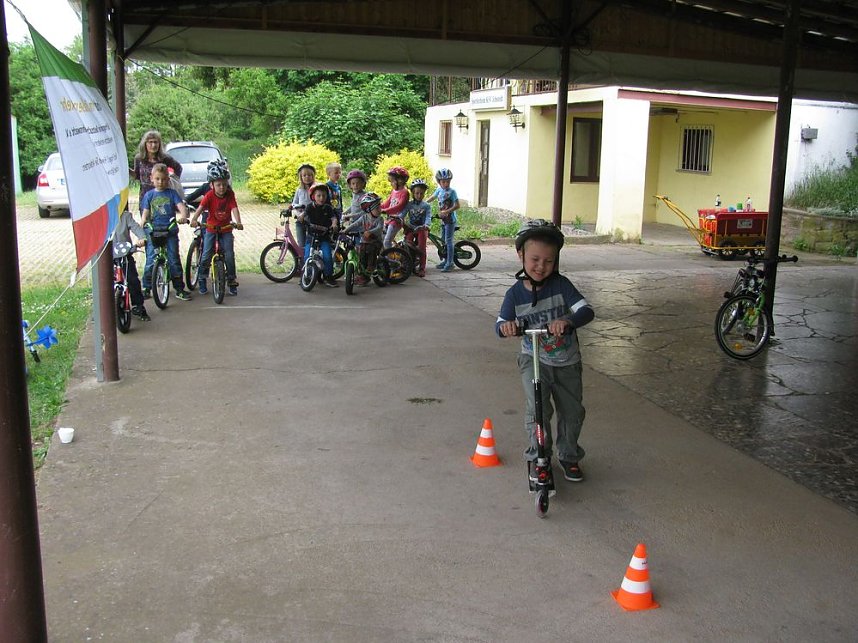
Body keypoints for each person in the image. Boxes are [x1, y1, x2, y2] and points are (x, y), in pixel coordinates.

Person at [495, 219, 594, 484]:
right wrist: (507, 327)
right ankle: (539, 456)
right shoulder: (515, 294)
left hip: (567, 361)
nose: (541, 266)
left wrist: (568, 321)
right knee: (538, 411)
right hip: (533, 359)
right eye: (535, 259)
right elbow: (500, 324)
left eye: (549, 261)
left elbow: (586, 311)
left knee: (572, 412)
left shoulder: (562, 286)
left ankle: (569, 455)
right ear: (521, 255)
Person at [190, 159, 244, 296]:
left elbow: (234, 208)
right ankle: (202, 278)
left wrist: (238, 222)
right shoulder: (209, 195)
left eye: (224, 184)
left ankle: (231, 279)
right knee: (206, 254)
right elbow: (201, 208)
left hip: (226, 228)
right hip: (211, 228)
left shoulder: (230, 194)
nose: (222, 187)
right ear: (212, 185)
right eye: (218, 184)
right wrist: (194, 219)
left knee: (229, 255)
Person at [140, 163, 192, 301]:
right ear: (152, 178)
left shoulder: (172, 193)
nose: (160, 182)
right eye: (157, 179)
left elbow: (181, 207)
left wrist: (183, 216)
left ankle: (179, 288)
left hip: (169, 230)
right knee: (151, 259)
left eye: (163, 179)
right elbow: (145, 212)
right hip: (154, 231)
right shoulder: (149, 195)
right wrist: (143, 221)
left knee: (173, 259)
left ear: (168, 180)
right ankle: (146, 287)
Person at [131, 130, 182, 214]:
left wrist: (170, 181)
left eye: (156, 142)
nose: (153, 145)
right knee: (146, 220)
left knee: (163, 218)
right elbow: (137, 176)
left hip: (162, 196)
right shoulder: (139, 158)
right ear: (145, 144)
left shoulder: (165, 158)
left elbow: (178, 168)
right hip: (145, 196)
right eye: (150, 142)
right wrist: (127, 170)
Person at [112, 210, 150, 321]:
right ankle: (101, 309)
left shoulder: (125, 216)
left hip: (125, 255)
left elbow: (135, 227)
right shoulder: (102, 216)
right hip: (108, 257)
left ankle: (139, 306)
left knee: (132, 279)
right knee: (104, 282)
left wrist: (142, 237)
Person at [343, 192, 384, 285]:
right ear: (369, 210)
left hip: (376, 242)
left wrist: (370, 232)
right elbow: (355, 224)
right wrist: (346, 230)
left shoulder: (380, 219)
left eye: (380, 207)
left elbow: (379, 228)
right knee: (361, 254)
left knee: (371, 250)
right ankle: (362, 274)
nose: (380, 210)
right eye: (377, 208)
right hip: (365, 242)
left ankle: (370, 268)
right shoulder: (364, 218)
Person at [303, 183, 339, 287]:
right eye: (318, 195)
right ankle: (307, 275)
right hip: (311, 236)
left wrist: (334, 224)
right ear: (313, 196)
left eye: (324, 195)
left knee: (327, 256)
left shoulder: (328, 208)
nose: (321, 198)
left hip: (324, 236)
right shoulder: (310, 207)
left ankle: (328, 276)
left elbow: (333, 218)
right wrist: (301, 216)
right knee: (307, 255)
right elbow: (304, 214)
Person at [427, 168, 460, 271]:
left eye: (448, 181)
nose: (446, 184)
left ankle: (450, 263)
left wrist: (447, 211)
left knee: (448, 241)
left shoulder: (452, 192)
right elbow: (432, 197)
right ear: (439, 182)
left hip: (450, 220)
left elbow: (457, 205)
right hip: (443, 220)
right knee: (443, 241)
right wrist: (423, 203)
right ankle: (445, 260)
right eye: (443, 182)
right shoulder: (439, 190)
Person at [402, 179, 432, 277]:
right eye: (417, 193)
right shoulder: (409, 204)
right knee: (407, 244)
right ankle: (409, 265)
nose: (419, 195)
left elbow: (428, 217)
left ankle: (422, 268)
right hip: (411, 228)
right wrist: (398, 217)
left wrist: (427, 225)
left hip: (422, 228)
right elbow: (403, 213)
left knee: (422, 247)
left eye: (421, 193)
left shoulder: (426, 206)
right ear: (413, 193)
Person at [381, 166, 410, 249]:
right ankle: (392, 252)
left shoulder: (405, 192)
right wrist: (375, 206)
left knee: (387, 241)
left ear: (400, 180)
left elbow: (399, 206)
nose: (391, 183)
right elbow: (387, 203)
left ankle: (389, 256)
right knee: (381, 237)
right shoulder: (394, 191)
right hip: (389, 219)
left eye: (392, 181)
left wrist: (385, 211)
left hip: (396, 221)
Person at [290, 163, 316, 247]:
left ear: (313, 176)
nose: (307, 177)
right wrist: (297, 207)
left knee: (311, 243)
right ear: (301, 177)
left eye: (309, 175)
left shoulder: (316, 189)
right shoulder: (299, 190)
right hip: (300, 219)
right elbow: (294, 203)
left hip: (312, 220)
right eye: (304, 175)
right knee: (301, 243)